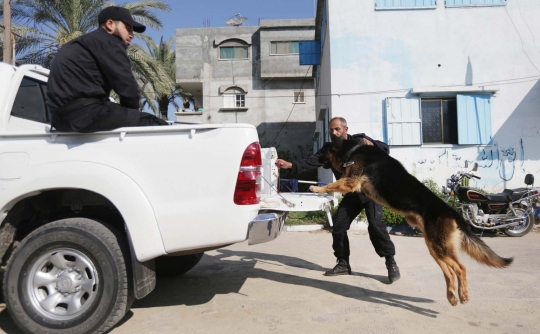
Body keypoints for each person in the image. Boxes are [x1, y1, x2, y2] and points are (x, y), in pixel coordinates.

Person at [276, 117, 401, 283]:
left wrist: (373, 145)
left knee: (376, 226)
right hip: (351, 193)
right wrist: (290, 165)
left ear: (345, 129)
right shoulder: (329, 150)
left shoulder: (359, 141)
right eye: (331, 130)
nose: (334, 133)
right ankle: (343, 263)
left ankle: (390, 262)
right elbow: (311, 162)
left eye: (337, 129)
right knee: (339, 226)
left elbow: (385, 149)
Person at [47, 6, 169, 132]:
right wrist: (132, 114)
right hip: (87, 114)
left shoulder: (83, 43)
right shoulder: (110, 41)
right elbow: (127, 86)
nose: (132, 35)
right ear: (110, 24)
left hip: (60, 120)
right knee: (155, 124)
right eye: (128, 28)